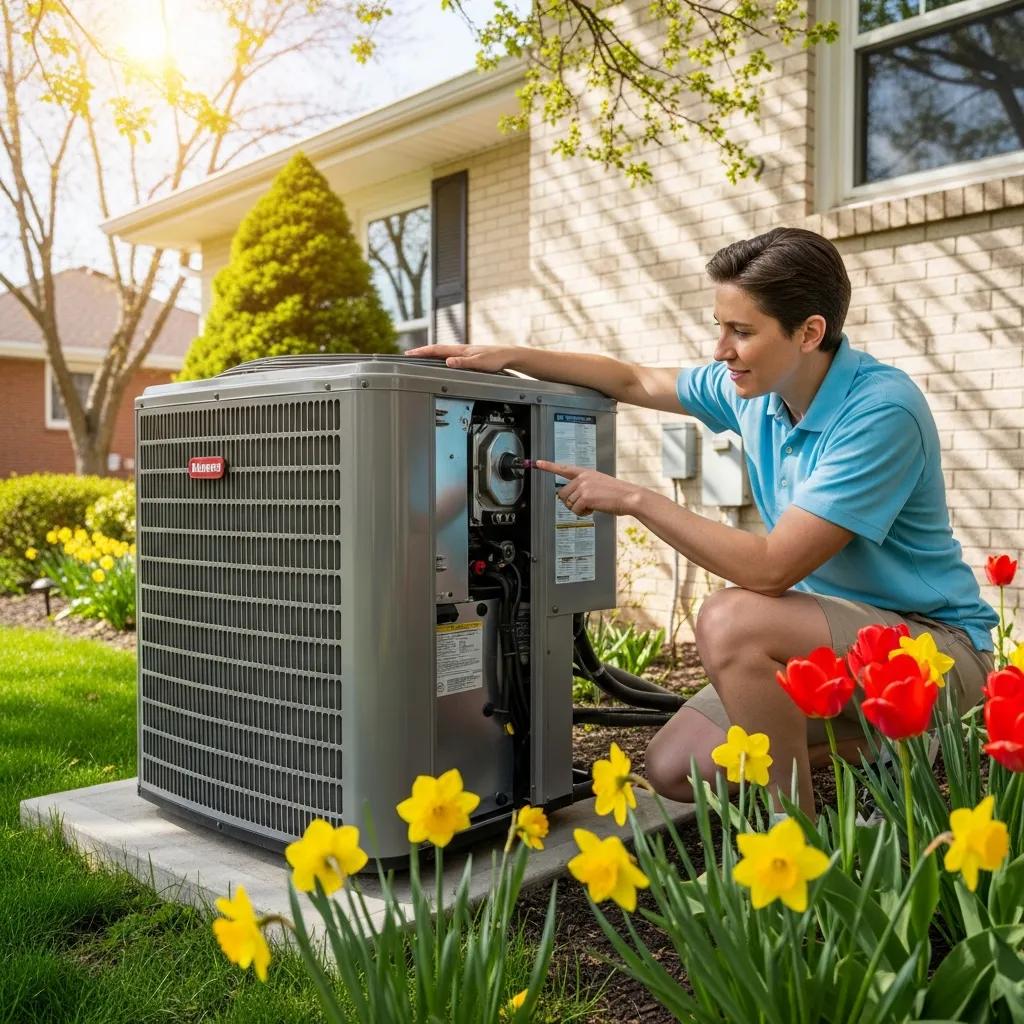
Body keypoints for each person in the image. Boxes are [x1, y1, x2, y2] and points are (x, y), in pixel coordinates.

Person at [407, 227, 997, 817]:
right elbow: (633, 379)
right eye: (720, 325)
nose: (721, 349)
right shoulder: (756, 393)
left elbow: (772, 570)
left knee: (732, 619)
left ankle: (796, 832)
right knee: (675, 768)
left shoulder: (879, 412)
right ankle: (890, 740)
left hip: (933, 654)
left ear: (810, 332)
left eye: (742, 331)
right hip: (832, 644)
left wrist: (636, 499)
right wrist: (510, 357)